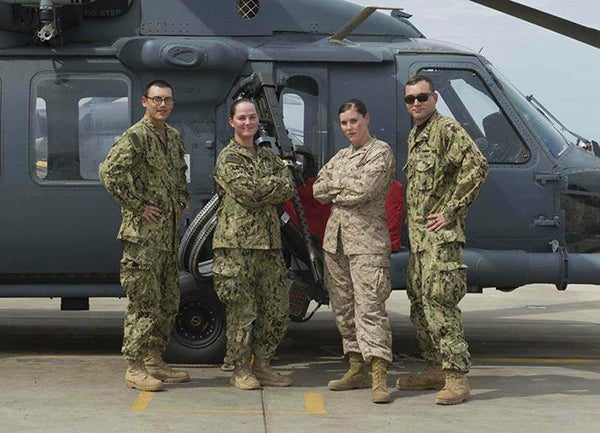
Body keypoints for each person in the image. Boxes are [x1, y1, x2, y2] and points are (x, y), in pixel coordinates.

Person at [396, 74, 489, 405]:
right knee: (419, 304)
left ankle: (456, 378)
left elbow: (477, 165)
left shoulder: (446, 129)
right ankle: (434, 368)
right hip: (420, 241)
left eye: (422, 97)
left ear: (434, 98)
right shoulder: (417, 134)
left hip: (440, 238)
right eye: (410, 99)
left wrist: (451, 210)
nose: (416, 103)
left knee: (440, 304)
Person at [99, 80, 191, 392]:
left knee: (168, 301)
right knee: (143, 302)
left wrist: (181, 198)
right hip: (143, 239)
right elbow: (109, 172)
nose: (162, 105)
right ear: (144, 102)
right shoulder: (136, 136)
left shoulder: (173, 137)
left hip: (167, 237)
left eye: (167, 99)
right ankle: (134, 367)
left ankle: (154, 360)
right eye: (156, 99)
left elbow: (179, 173)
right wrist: (137, 206)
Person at [313, 99, 396, 404]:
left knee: (370, 309)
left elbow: (366, 190)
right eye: (344, 123)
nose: (349, 127)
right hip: (335, 243)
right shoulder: (340, 156)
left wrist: (337, 186)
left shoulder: (380, 151)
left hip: (367, 245)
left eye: (354, 121)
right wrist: (341, 185)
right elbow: (317, 190)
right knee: (344, 309)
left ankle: (378, 377)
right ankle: (356, 368)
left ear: (366, 119)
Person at [212, 98, 294, 390]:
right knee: (242, 311)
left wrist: (271, 186)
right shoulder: (229, 158)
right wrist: (272, 186)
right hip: (237, 247)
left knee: (276, 308)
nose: (248, 123)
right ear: (231, 122)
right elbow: (248, 192)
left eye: (252, 118)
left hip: (269, 247)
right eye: (242, 118)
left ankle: (262, 364)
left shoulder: (266, 155)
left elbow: (289, 185)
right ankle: (239, 369)